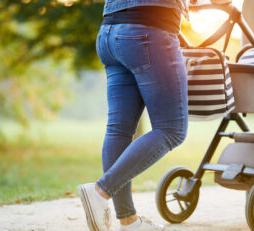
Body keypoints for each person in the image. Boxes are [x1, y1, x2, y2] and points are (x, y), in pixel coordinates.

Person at [77, 1, 191, 231]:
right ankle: (100, 191)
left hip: (109, 34)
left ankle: (128, 221)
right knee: (172, 129)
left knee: (119, 130)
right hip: (148, 31)